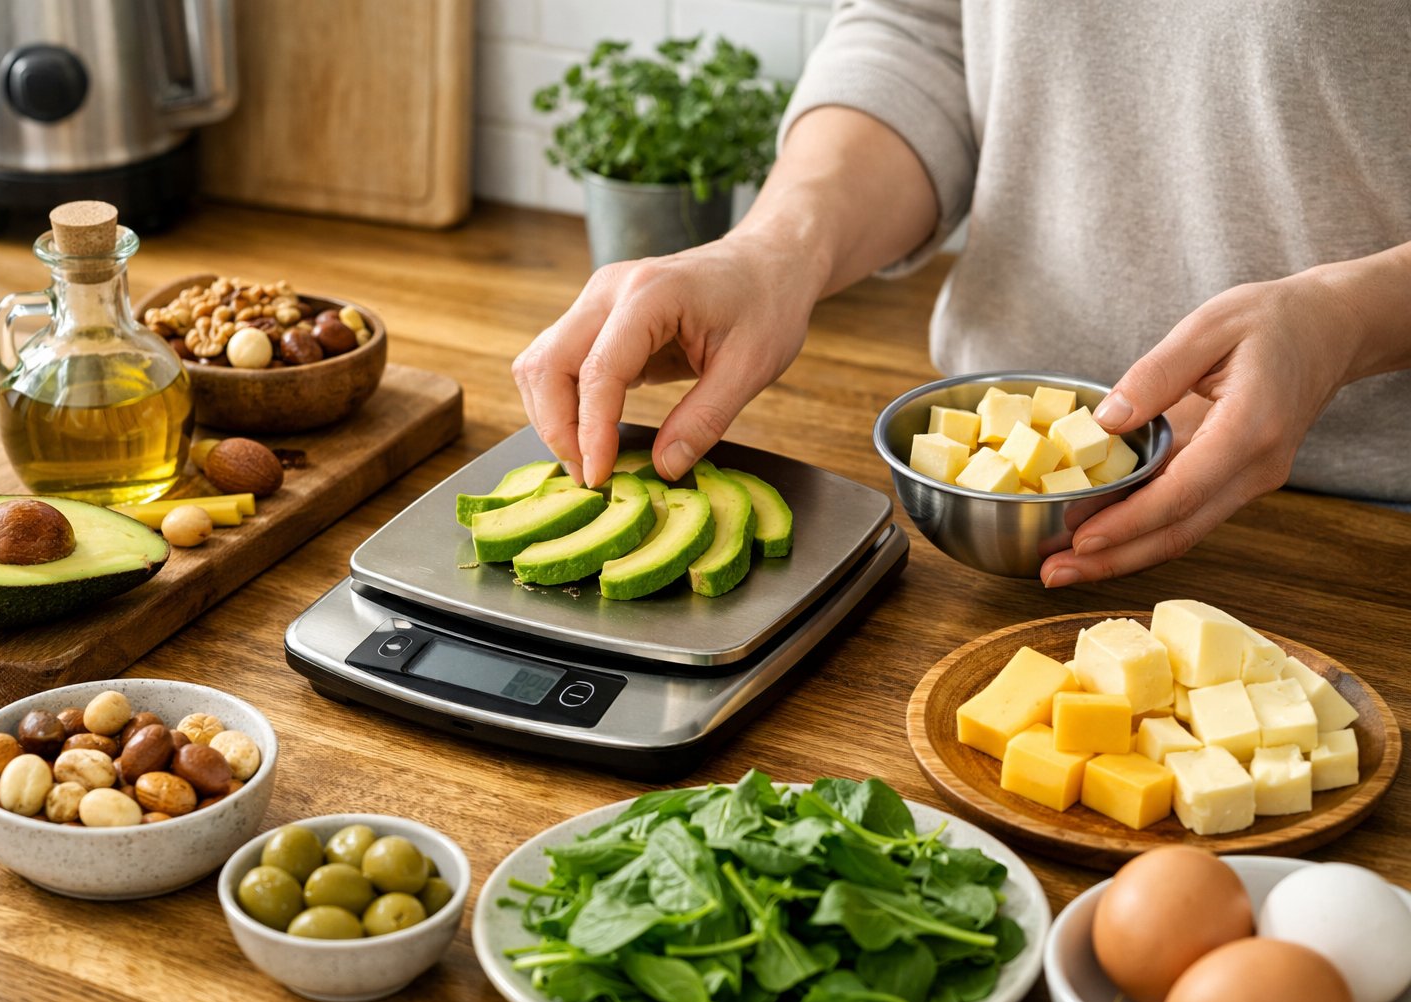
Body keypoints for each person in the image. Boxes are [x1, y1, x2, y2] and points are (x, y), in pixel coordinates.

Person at [512, 0, 1411, 587]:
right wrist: (776, 246)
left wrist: (1352, 318)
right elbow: (926, 29)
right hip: (970, 532)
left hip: (1357, 539)